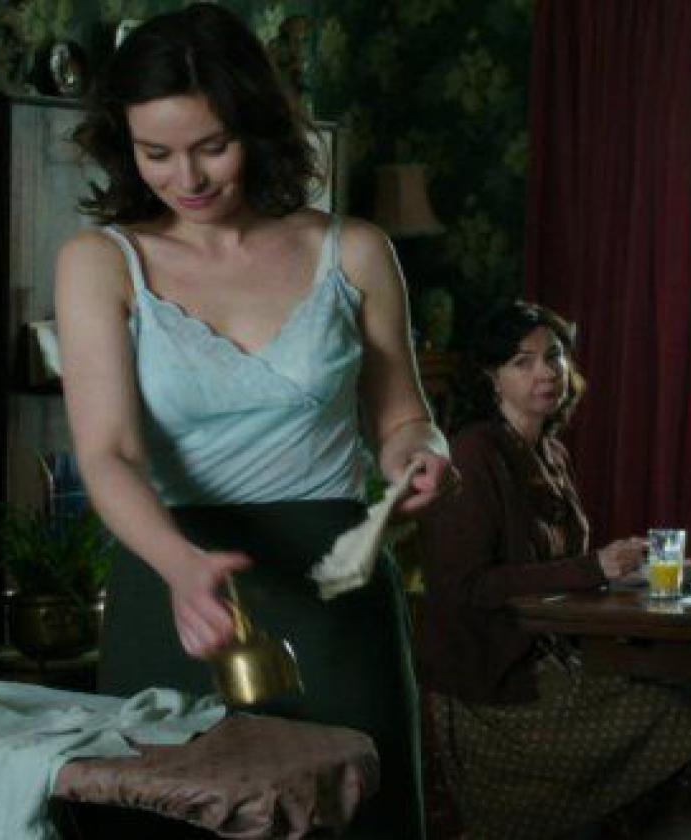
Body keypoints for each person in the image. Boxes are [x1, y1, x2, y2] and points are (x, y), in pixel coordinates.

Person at [54, 6, 452, 838]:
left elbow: (403, 417)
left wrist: (420, 454)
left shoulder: (354, 251)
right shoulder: (101, 263)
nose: (186, 178)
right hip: (173, 582)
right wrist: (181, 568)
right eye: (156, 153)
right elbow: (108, 452)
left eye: (212, 146)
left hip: (332, 589)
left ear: (259, 127)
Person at [414, 301, 691, 839]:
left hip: (557, 657)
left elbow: (555, 568)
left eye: (554, 356)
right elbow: (467, 586)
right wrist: (592, 566)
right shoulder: (472, 453)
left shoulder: (552, 452)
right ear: (491, 376)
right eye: (523, 362)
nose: (546, 372)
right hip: (498, 686)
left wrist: (617, 570)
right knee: (678, 719)